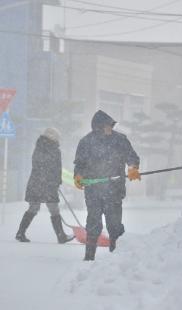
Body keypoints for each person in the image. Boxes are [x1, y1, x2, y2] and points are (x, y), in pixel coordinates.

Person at [73, 110, 140, 261]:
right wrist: (78, 176)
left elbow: (132, 157)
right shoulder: (86, 142)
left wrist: (133, 168)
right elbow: (80, 164)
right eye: (108, 126)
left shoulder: (120, 140)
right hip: (93, 191)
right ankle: (89, 256)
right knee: (93, 224)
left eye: (111, 125)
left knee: (114, 225)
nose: (111, 128)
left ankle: (115, 258)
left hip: (114, 190)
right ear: (98, 127)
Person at [15, 128, 74, 244]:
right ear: (51, 136)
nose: (58, 139)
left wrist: (56, 180)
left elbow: (51, 167)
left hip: (39, 183)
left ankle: (20, 233)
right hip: (45, 184)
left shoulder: (43, 147)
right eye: (56, 137)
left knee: (37, 208)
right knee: (51, 209)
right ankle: (60, 236)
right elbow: (47, 166)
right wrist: (54, 181)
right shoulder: (48, 148)